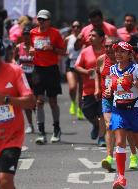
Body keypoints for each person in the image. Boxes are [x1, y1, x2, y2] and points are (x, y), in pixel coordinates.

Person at [0, 34, 35, 189]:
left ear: (0, 50)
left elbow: (30, 101)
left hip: (11, 137)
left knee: (4, 180)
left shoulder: (14, 71)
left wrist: (4, 99)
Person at [107, 41, 138, 189]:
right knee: (120, 142)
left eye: (122, 51)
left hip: (135, 109)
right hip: (118, 109)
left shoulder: (136, 68)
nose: (118, 54)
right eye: (117, 51)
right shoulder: (112, 69)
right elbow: (109, 87)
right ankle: (121, 178)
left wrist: (133, 82)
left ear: (129, 54)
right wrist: (108, 91)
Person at [95, 37, 138, 172]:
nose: (108, 49)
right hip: (107, 98)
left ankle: (133, 155)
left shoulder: (127, 63)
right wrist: (98, 88)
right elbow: (97, 73)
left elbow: (137, 79)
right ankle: (109, 157)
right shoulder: (101, 59)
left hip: (124, 98)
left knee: (128, 129)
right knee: (109, 126)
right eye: (106, 46)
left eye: (110, 47)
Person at [30, 10, 66, 144]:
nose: (42, 22)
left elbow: (63, 51)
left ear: (49, 21)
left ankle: (56, 129)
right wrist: (31, 51)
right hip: (38, 69)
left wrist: (52, 48)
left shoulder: (55, 33)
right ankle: (41, 132)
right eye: (39, 19)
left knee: (52, 101)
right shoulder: (33, 32)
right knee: (39, 101)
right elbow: (29, 48)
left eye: (44, 19)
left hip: (51, 69)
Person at [74, 28, 106, 146]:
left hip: (104, 89)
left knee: (102, 113)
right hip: (88, 89)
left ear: (101, 38)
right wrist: (87, 72)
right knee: (86, 111)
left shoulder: (106, 52)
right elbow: (76, 66)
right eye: (89, 36)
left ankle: (102, 138)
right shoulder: (85, 51)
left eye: (93, 36)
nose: (89, 38)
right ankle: (96, 125)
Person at [15, 26, 35, 134]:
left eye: (28, 35)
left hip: (35, 76)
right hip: (23, 77)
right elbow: (14, 58)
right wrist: (17, 66)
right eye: (25, 35)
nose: (26, 37)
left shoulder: (34, 47)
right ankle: (30, 125)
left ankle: (39, 123)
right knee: (27, 101)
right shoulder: (19, 47)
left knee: (35, 101)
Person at [65, 20, 84, 120]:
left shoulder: (84, 38)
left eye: (78, 26)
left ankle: (80, 110)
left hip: (81, 64)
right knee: (72, 87)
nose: (76, 28)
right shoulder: (68, 38)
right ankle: (73, 102)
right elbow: (63, 50)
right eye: (74, 26)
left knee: (81, 89)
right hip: (71, 63)